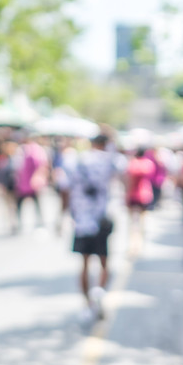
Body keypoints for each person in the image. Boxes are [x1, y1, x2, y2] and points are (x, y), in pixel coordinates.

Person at [69, 134, 116, 323]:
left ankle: (88, 303)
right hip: (101, 219)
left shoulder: (78, 160)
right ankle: (100, 290)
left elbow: (66, 187)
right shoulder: (110, 161)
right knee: (104, 263)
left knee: (84, 264)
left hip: (82, 220)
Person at [15, 132, 49, 232]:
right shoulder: (25, 149)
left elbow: (42, 166)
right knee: (24, 204)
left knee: (36, 204)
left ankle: (39, 223)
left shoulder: (36, 150)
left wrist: (38, 178)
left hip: (32, 182)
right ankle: (20, 223)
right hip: (25, 182)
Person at [125, 148, 156, 256]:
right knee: (142, 222)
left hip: (134, 195)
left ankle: (133, 245)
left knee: (133, 223)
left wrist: (126, 195)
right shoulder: (148, 164)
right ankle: (140, 245)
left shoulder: (132, 164)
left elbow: (130, 181)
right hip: (146, 195)